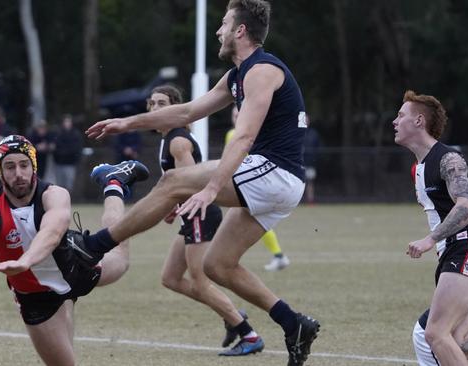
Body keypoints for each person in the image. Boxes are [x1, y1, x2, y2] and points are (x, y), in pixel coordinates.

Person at [85, 1, 320, 365]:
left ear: (240, 31)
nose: (218, 31)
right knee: (217, 266)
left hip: (274, 171)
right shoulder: (238, 74)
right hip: (277, 183)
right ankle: (294, 324)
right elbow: (187, 112)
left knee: (175, 179)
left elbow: (243, 138)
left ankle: (94, 246)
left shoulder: (262, 70)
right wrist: (125, 122)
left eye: (224, 23)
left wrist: (209, 189)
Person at [0, 134, 149, 366]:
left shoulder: (55, 194)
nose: (18, 173)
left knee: (121, 258)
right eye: (9, 167)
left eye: (24, 164)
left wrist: (26, 261)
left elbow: (51, 233)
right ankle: (113, 182)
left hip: (74, 265)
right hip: (37, 297)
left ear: (34, 165)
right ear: (0, 171)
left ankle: (113, 183)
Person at [149, 85, 264, 355]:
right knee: (171, 278)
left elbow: (190, 181)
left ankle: (248, 335)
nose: (156, 109)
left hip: (199, 213)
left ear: (176, 108)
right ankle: (230, 311)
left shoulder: (178, 141)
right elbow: (176, 181)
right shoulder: (167, 139)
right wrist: (171, 205)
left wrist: (176, 205)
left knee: (200, 281)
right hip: (189, 214)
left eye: (162, 103)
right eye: (152, 104)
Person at [393, 90, 468, 366]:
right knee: (461, 339)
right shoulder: (419, 167)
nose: (394, 121)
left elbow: (467, 204)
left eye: (401, 115)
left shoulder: (449, 159)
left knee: (436, 333)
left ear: (419, 121)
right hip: (455, 253)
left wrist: (430, 239)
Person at [225, 105, 290, 271]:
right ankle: (278, 255)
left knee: (254, 219)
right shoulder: (233, 134)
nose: (236, 117)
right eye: (233, 114)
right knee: (253, 220)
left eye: (238, 113)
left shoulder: (246, 134)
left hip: (250, 183)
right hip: (244, 181)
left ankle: (278, 255)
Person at [53, 114, 83, 193]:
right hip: (59, 163)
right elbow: (56, 147)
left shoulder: (75, 134)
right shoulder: (58, 133)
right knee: (60, 184)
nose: (67, 123)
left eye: (68, 121)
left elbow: (76, 149)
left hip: (70, 163)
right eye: (65, 121)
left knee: (69, 185)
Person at [302, 115, 320, 205]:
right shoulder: (297, 132)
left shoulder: (313, 133)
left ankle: (310, 200)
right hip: (298, 162)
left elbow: (318, 147)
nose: (305, 121)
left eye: (307, 120)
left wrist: (314, 158)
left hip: (310, 162)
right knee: (298, 182)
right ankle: (296, 201)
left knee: (310, 181)